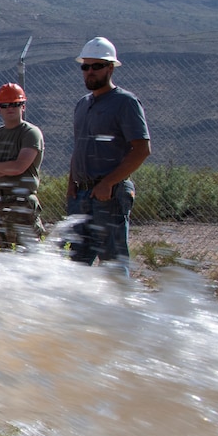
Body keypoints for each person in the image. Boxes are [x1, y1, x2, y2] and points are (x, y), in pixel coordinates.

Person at [65, 37, 150, 271]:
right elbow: (79, 147)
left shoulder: (125, 102)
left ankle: (120, 305)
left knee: (112, 264)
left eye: (97, 66)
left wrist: (108, 183)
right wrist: (71, 184)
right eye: (85, 66)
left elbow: (142, 149)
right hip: (81, 195)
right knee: (76, 265)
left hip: (109, 195)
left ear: (110, 68)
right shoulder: (82, 104)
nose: (90, 72)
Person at [0, 82, 44, 250]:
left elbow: (18, 167)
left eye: (15, 104)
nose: (10, 108)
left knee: (27, 257)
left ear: (23, 106)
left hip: (21, 202)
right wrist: (6, 169)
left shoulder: (30, 133)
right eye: (5, 105)